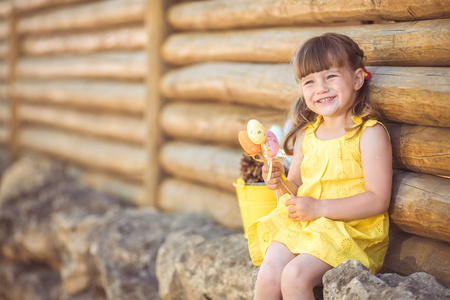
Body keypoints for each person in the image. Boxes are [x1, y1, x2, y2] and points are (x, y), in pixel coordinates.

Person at [247, 33, 392, 300]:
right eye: (309, 81)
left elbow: (378, 199)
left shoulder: (369, 134)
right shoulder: (306, 135)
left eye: (331, 76)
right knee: (269, 272)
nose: (321, 88)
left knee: (294, 276)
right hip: (309, 225)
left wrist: (319, 208)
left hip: (350, 229)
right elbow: (296, 191)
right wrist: (280, 183)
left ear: (358, 79)